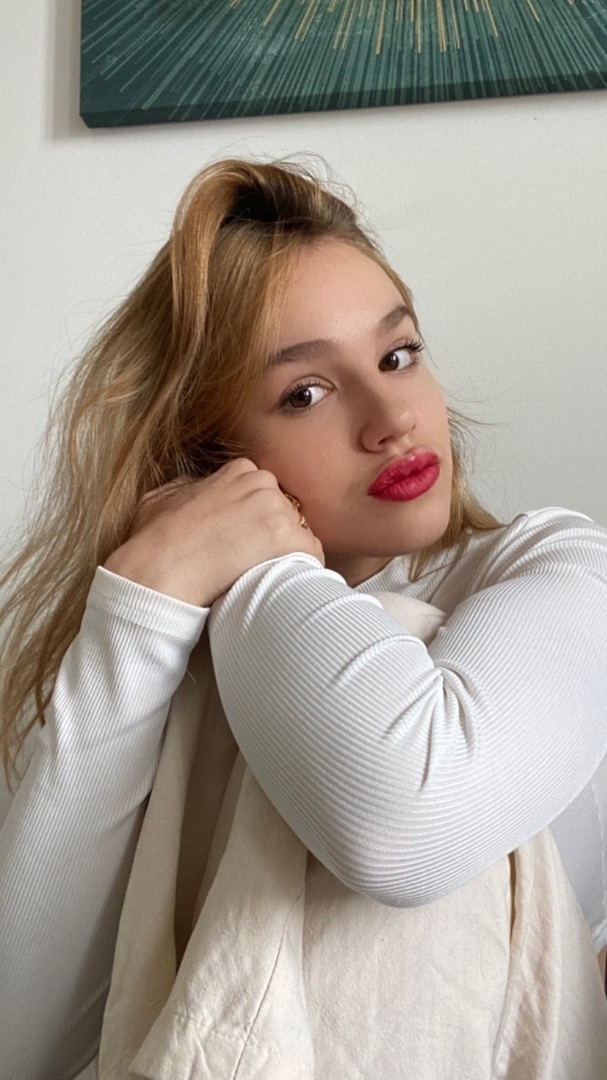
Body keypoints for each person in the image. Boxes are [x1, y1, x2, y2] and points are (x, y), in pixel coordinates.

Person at [1, 158, 606, 1079]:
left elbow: (410, 820)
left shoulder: (557, 567)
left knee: (392, 647)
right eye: (305, 394)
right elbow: (25, 1044)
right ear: (211, 460)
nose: (391, 418)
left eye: (397, 355)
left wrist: (263, 568)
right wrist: (140, 612)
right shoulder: (173, 662)